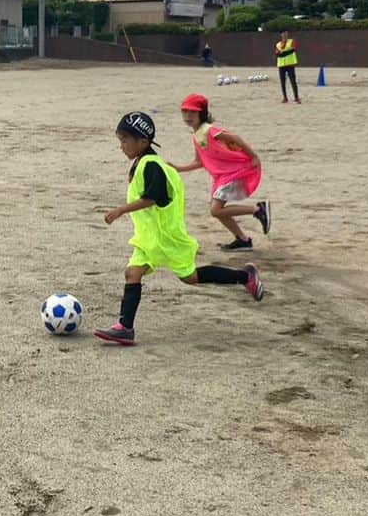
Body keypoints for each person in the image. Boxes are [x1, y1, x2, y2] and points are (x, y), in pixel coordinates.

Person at [94, 111, 265, 346]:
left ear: (142, 142)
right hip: (150, 239)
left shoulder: (151, 165)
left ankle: (245, 276)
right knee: (132, 274)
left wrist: (122, 210)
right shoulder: (142, 163)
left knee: (191, 277)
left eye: (125, 141)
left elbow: (155, 197)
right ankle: (125, 328)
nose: (121, 146)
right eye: (120, 140)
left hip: (167, 238)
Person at [174, 93, 271, 250]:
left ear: (202, 113)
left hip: (233, 173)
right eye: (184, 112)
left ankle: (258, 209)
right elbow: (199, 162)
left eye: (192, 112)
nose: (187, 116)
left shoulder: (209, 130)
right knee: (218, 211)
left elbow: (235, 138)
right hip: (222, 176)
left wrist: (254, 156)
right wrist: (179, 168)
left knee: (216, 210)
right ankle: (242, 239)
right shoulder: (196, 135)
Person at [274, 30, 300, 104]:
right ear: (281, 35)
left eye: (286, 33)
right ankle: (285, 98)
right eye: (283, 33)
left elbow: (293, 50)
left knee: (293, 81)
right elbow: (277, 54)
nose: (285, 34)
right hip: (281, 65)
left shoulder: (292, 41)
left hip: (290, 64)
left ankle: (296, 98)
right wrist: (283, 53)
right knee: (282, 82)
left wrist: (282, 53)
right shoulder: (278, 44)